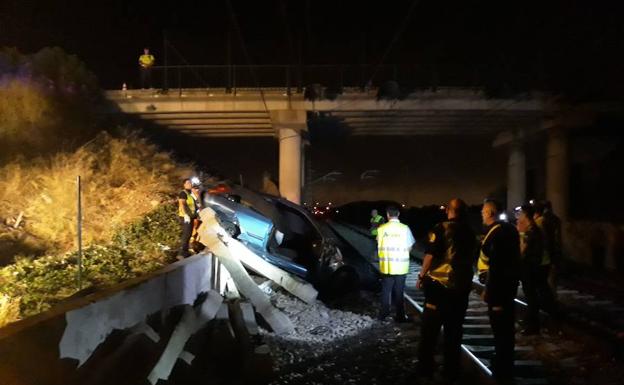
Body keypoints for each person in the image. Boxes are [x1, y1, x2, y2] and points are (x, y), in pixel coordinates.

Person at [417, 198, 477, 381]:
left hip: (439, 287)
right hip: (461, 287)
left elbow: (430, 254)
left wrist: (421, 276)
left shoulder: (441, 228)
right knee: (454, 331)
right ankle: (451, 372)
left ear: (449, 211)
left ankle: (425, 371)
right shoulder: (469, 231)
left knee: (429, 332)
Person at [478, 199, 520, 384]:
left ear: (490, 213)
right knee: (507, 329)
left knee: (500, 329)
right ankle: (506, 363)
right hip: (509, 287)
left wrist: (488, 289)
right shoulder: (510, 230)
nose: (481, 214)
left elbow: (495, 265)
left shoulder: (496, 234)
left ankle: (502, 368)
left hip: (498, 289)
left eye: (483, 212)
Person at [377, 206, 415, 322]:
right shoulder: (405, 228)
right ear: (398, 214)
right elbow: (409, 247)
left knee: (386, 290)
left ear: (388, 215)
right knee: (399, 291)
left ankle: (383, 315)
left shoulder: (381, 229)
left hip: (386, 266)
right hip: (400, 266)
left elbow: (378, 244)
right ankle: (400, 316)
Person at [535, 200, 562, 295]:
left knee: (544, 277)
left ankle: (547, 298)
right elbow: (558, 236)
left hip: (545, 252)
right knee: (552, 276)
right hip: (554, 249)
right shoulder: (556, 219)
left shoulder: (541, 220)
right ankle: (552, 296)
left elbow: (543, 237)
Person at [178, 178, 196, 259]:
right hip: (185, 217)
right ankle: (181, 253)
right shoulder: (183, 193)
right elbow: (182, 204)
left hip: (190, 216)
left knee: (188, 234)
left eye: (191, 183)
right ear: (184, 185)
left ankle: (186, 251)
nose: (190, 184)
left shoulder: (190, 194)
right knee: (186, 234)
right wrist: (186, 215)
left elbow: (193, 205)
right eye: (188, 183)